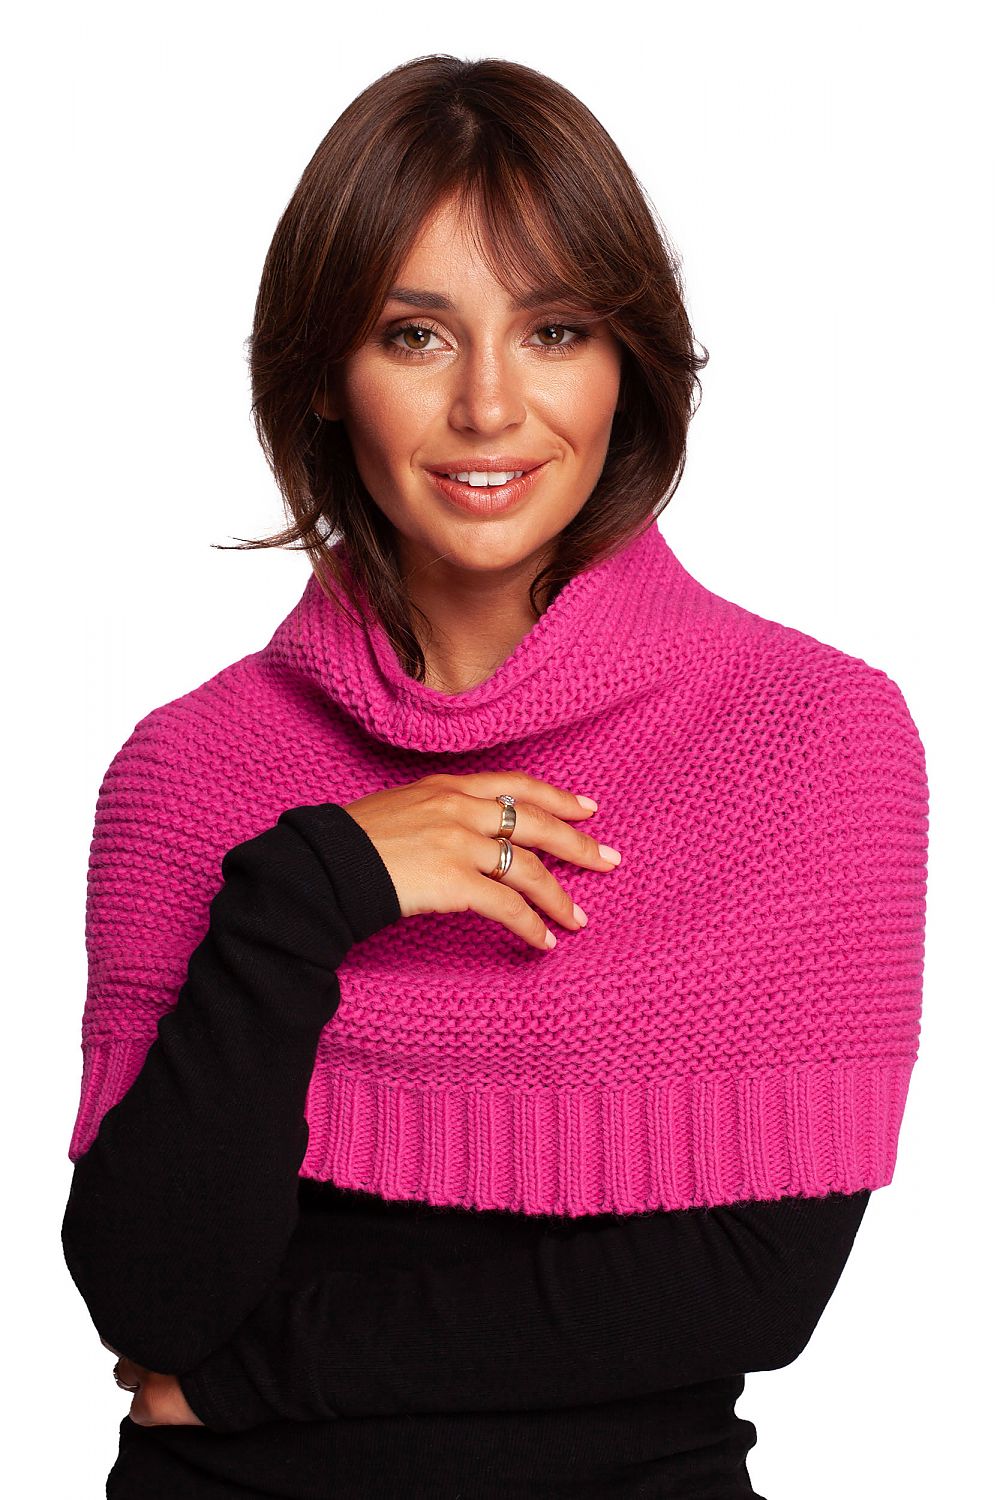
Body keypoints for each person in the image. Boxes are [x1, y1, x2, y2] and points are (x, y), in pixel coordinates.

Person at [61, 54, 929, 1499]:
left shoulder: (815, 736)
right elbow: (151, 1293)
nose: (486, 405)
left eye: (555, 330)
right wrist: (314, 888)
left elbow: (751, 1283)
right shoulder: (185, 772)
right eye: (415, 335)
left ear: (628, 365)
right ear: (324, 376)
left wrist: (251, 1379)